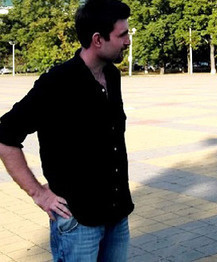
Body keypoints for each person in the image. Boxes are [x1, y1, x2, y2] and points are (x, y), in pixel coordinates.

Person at [0, 0, 134, 260]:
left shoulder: (112, 76)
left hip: (118, 217)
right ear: (98, 39)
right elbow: (5, 135)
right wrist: (38, 193)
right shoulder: (57, 83)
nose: (128, 40)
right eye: (123, 34)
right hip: (78, 222)